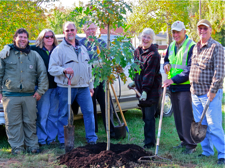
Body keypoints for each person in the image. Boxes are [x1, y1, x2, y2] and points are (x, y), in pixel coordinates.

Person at [0, 29, 59, 147]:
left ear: (28, 40)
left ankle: (32, 145)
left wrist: (40, 92)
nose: (22, 39)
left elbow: (42, 74)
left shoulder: (34, 54)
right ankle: (17, 147)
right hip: (10, 95)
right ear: (15, 38)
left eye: (25, 37)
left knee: (30, 122)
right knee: (13, 123)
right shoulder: (6, 54)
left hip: (30, 95)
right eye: (20, 37)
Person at [48, 21, 98, 148]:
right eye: (67, 30)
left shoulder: (82, 48)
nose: (70, 32)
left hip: (83, 87)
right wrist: (63, 70)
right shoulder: (58, 50)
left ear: (76, 31)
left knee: (89, 112)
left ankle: (91, 139)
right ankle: (63, 140)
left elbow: (89, 68)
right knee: (64, 113)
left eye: (72, 30)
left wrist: (90, 86)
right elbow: (51, 69)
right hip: (66, 87)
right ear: (64, 32)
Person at [189, 19, 225, 165]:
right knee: (201, 124)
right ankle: (207, 151)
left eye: (205, 28)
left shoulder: (216, 47)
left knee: (214, 124)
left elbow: (220, 71)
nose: (202, 31)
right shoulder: (195, 47)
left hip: (208, 93)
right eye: (200, 29)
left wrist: (213, 91)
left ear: (210, 30)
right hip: (195, 93)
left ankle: (223, 154)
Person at [163, 21, 197, 154]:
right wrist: (166, 64)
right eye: (173, 32)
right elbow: (167, 59)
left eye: (178, 32)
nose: (175, 34)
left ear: (184, 32)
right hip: (174, 87)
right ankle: (183, 141)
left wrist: (173, 80)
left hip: (185, 87)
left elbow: (190, 69)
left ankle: (191, 145)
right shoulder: (171, 45)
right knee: (177, 116)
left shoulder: (191, 46)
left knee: (186, 116)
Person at [78, 21, 115, 137]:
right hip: (87, 81)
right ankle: (94, 131)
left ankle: (110, 131)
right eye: (88, 29)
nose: (91, 31)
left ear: (96, 30)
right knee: (90, 107)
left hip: (101, 80)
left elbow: (108, 58)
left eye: (93, 29)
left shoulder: (101, 43)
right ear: (84, 31)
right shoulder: (80, 44)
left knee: (106, 106)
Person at [128, 28, 162, 149]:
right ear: (140, 37)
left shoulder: (154, 55)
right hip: (141, 89)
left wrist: (145, 91)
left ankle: (149, 143)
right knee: (144, 116)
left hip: (151, 91)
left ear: (152, 40)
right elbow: (137, 69)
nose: (145, 39)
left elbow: (149, 74)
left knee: (149, 117)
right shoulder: (137, 51)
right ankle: (148, 139)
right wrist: (134, 80)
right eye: (144, 36)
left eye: (148, 37)